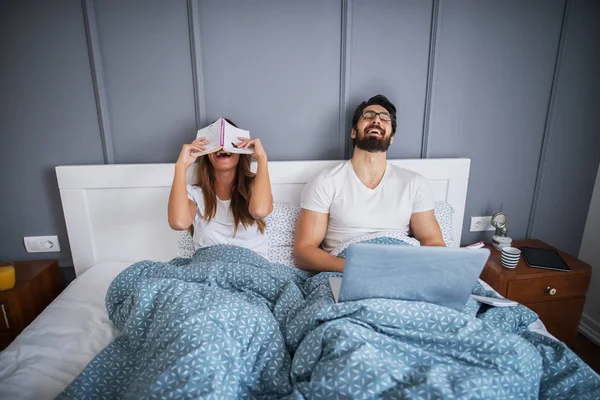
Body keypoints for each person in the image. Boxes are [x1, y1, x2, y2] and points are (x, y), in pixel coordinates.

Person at [294, 95, 445, 273]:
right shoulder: (326, 182)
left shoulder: (414, 183)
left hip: (401, 269)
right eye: (368, 116)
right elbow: (304, 251)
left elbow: (432, 241)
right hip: (348, 270)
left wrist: (410, 268)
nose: (376, 120)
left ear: (391, 138)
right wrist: (359, 268)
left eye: (384, 118)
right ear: (353, 132)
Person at [168, 118, 273, 259]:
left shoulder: (256, 186)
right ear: (206, 154)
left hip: (251, 270)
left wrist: (262, 158)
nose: (222, 147)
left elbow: (259, 211)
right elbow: (179, 223)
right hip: (207, 269)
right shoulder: (194, 194)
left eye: (229, 142)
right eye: (216, 143)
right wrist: (181, 166)